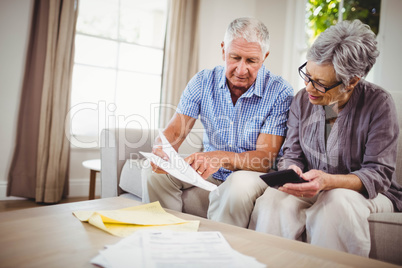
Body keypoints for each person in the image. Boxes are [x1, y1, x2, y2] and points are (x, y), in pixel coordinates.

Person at [246, 20, 402, 257]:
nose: (308, 87)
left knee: (336, 202)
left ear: (352, 81)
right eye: (307, 75)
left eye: (320, 83)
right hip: (314, 185)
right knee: (274, 200)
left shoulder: (379, 104)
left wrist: (329, 181)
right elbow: (292, 154)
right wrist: (291, 171)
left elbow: (378, 174)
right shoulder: (301, 100)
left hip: (369, 193)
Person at [146, 17, 293, 226]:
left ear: (264, 57)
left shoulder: (280, 91)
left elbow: (264, 158)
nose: (241, 70)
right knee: (155, 174)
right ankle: (165, 236)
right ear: (223, 50)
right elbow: (176, 130)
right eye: (235, 57)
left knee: (237, 185)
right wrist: (162, 150)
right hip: (208, 170)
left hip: (251, 173)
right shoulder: (203, 81)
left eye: (251, 61)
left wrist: (219, 157)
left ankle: (219, 252)